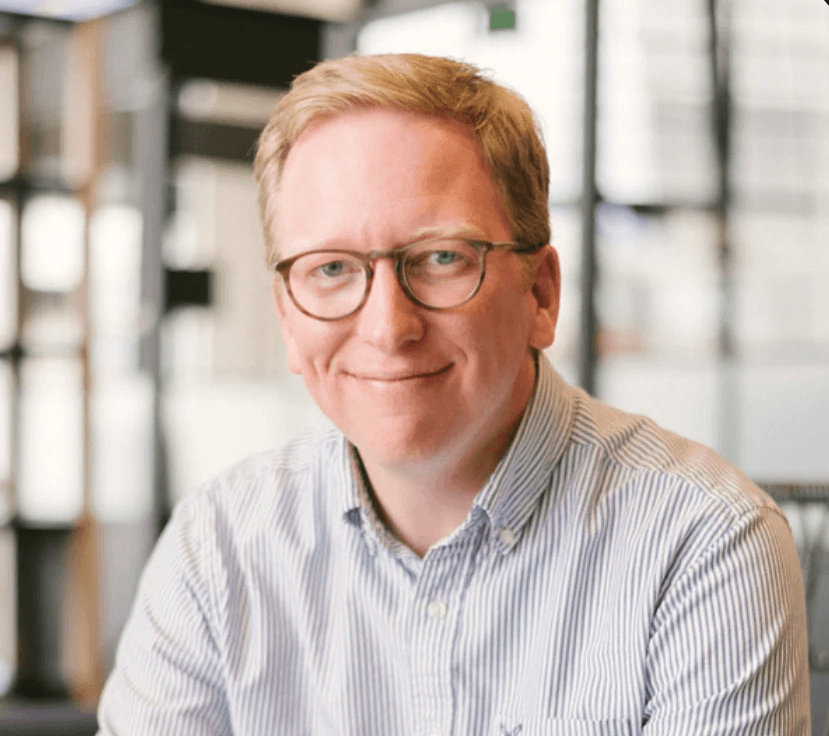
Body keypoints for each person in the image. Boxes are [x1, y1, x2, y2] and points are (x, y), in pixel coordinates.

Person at [97, 53, 810, 735]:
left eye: (441, 258)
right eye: (332, 269)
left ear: (540, 293)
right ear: (287, 316)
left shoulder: (701, 542)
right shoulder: (218, 547)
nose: (386, 328)